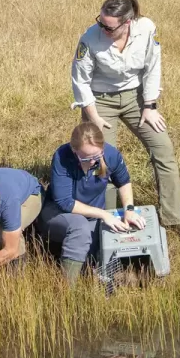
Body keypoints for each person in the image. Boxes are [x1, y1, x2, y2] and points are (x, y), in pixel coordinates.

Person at [71, 0, 180, 241]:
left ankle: (175, 219)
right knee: (100, 162)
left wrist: (150, 105)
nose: (103, 29)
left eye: (109, 26)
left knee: (164, 151)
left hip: (136, 98)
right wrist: (93, 116)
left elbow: (153, 66)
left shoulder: (147, 29)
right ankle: (104, 222)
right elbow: (80, 81)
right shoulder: (89, 39)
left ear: (127, 22)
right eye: (101, 22)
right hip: (99, 100)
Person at [38, 122, 146, 285]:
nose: (92, 162)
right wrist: (103, 214)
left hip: (94, 216)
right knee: (79, 228)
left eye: (96, 157)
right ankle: (67, 289)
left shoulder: (111, 155)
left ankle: (114, 276)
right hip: (58, 213)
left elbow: (123, 182)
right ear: (74, 150)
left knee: (97, 255)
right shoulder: (62, 157)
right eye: (86, 158)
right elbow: (65, 202)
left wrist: (129, 210)